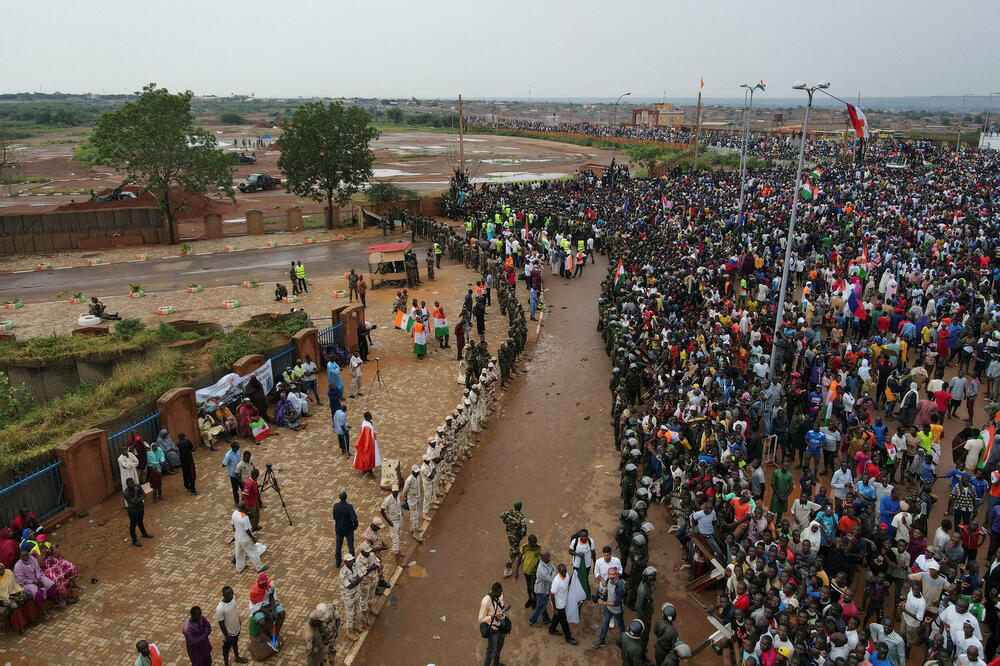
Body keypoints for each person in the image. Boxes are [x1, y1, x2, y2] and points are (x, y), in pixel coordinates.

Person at [14, 547, 60, 613]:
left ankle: (55, 600)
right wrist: (33, 582)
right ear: (20, 557)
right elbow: (20, 579)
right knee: (37, 592)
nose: (26, 557)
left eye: (27, 555)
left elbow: (37, 569)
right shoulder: (18, 566)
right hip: (27, 583)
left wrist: (38, 578)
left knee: (50, 583)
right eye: (23, 556)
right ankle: (43, 610)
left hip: (38, 576)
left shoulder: (32, 559)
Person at [593, 565, 626, 648]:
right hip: (609, 608)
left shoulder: (619, 587)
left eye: (613, 574)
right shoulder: (608, 580)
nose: (612, 576)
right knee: (605, 623)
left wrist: (603, 603)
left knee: (620, 625)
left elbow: (616, 603)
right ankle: (602, 641)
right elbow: (608, 587)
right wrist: (605, 591)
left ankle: (624, 641)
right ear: (608, 575)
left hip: (618, 610)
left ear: (617, 575)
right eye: (610, 574)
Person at [0, 562, 36, 634]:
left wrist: (20, 592)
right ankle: (20, 627)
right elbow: (2, 595)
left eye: (2, 569)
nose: (2, 571)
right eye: (0, 570)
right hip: (2, 598)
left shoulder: (9, 573)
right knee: (14, 605)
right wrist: (14, 598)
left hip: (12, 592)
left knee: (27, 595)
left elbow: (15, 585)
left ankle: (31, 618)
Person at [548, 562, 579, 645]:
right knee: (564, 621)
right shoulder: (556, 581)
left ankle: (552, 629)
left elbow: (568, 583)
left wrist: (573, 576)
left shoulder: (567, 575)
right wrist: (555, 608)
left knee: (557, 617)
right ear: (558, 571)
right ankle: (568, 638)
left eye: (565, 571)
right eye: (562, 571)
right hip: (559, 605)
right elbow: (552, 595)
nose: (564, 573)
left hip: (564, 601)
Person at [232, 501, 267, 574]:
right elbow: (247, 530)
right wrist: (252, 538)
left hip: (237, 537)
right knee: (252, 552)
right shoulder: (245, 517)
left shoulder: (234, 513)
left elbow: (233, 524)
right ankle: (259, 567)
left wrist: (236, 532)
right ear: (244, 508)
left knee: (239, 552)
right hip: (245, 538)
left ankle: (240, 568)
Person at [216, 585, 248, 666]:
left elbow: (234, 611)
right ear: (223, 595)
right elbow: (221, 624)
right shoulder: (220, 608)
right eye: (228, 594)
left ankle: (237, 657)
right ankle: (226, 664)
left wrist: (239, 621)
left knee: (235, 643)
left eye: (231, 593)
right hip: (228, 633)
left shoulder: (233, 599)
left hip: (236, 628)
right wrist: (227, 635)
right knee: (226, 649)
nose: (230, 595)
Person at [478, 582, 508, 666]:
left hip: (501, 626)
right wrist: (493, 616)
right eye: (499, 593)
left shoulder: (499, 594)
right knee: (491, 651)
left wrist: (502, 605)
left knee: (499, 647)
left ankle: (496, 663)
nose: (501, 594)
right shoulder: (486, 602)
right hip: (493, 630)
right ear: (494, 592)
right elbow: (480, 619)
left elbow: (501, 600)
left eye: (501, 592)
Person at [339, 553, 364, 641]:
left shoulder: (354, 566)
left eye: (352, 560)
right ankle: (349, 631)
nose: (352, 562)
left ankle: (354, 625)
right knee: (350, 614)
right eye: (349, 561)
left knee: (356, 610)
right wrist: (357, 580)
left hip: (356, 592)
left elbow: (361, 576)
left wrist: (356, 581)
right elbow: (349, 586)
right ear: (345, 562)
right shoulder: (343, 573)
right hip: (348, 596)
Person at [499, 500, 527, 578]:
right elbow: (524, 531)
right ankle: (507, 570)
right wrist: (520, 536)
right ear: (520, 507)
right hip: (516, 536)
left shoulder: (509, 512)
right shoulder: (522, 517)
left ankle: (520, 556)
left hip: (509, 534)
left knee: (515, 546)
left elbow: (501, 516)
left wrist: (507, 522)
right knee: (513, 551)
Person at [124, 477, 153, 547]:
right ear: (127, 485)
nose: (131, 485)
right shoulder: (126, 493)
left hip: (140, 508)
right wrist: (136, 492)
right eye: (129, 484)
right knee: (133, 525)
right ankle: (134, 540)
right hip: (132, 511)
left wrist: (137, 500)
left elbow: (144, 495)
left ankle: (144, 533)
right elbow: (133, 502)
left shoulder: (137, 486)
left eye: (132, 483)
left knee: (140, 521)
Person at [333, 491, 359, 567]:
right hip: (348, 530)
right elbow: (354, 519)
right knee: (350, 546)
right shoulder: (349, 507)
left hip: (339, 529)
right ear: (346, 497)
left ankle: (338, 562)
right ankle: (353, 561)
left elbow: (334, 517)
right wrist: (355, 526)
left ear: (339, 497)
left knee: (338, 546)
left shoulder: (336, 506)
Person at [352, 412, 380, 477]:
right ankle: (370, 471)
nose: (371, 416)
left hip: (368, 443)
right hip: (368, 445)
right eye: (370, 416)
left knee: (365, 457)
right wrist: (367, 447)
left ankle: (364, 468)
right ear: (367, 417)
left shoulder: (365, 423)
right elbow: (367, 438)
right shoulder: (367, 427)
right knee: (369, 458)